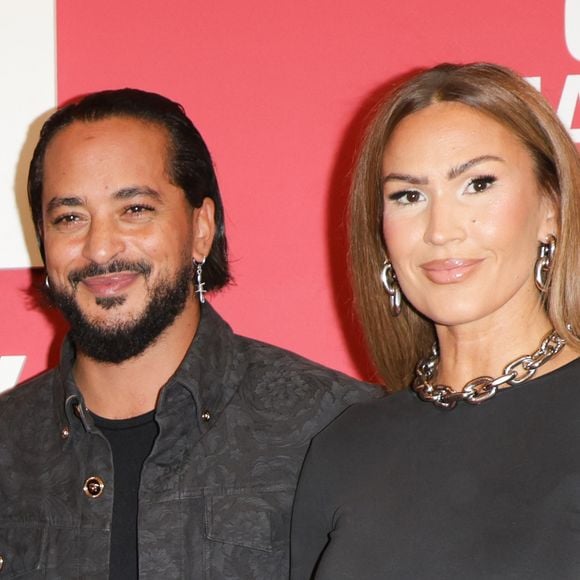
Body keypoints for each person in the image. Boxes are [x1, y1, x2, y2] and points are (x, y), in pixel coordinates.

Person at [0, 88, 381, 579]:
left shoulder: (336, 429)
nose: (99, 248)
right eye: (70, 217)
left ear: (201, 228)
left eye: (135, 209)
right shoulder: (7, 445)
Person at [291, 62, 580, 579]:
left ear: (551, 208)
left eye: (478, 184)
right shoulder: (345, 445)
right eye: (409, 196)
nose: (441, 230)